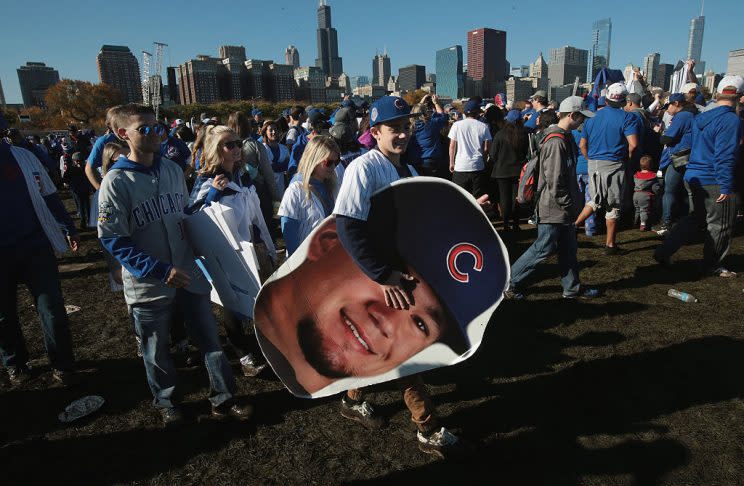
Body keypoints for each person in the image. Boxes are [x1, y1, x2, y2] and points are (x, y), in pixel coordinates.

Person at [97, 104, 253, 426]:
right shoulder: (116, 182)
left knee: (209, 337)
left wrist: (206, 205)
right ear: (122, 134)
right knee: (156, 348)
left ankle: (224, 397)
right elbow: (113, 239)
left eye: (159, 127)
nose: (156, 133)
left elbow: (183, 213)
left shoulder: (170, 169)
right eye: (146, 128)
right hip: (149, 281)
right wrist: (159, 270)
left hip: (187, 270)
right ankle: (167, 401)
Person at [0, 114, 81, 386]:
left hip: (35, 245)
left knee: (52, 308)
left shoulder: (23, 156)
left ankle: (63, 364)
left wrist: (68, 226)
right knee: (3, 315)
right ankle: (15, 364)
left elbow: (48, 194)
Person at [190, 124, 273, 377]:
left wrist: (268, 246)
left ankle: (265, 345)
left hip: (250, 247)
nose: (237, 149)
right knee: (232, 303)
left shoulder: (243, 176)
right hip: (224, 252)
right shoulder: (207, 180)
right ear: (217, 149)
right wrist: (213, 193)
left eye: (238, 143)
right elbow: (191, 215)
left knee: (260, 298)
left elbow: (256, 214)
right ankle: (242, 353)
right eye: (230, 145)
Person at [504, 96, 596, 300]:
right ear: (572, 115)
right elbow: (555, 180)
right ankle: (510, 283)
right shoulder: (556, 141)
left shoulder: (564, 137)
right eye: (581, 117)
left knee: (568, 249)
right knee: (543, 248)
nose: (583, 122)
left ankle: (571, 288)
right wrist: (569, 204)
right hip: (554, 207)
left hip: (559, 206)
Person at [653, 75, 743, 278]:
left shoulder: (700, 118)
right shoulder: (731, 120)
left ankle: (664, 251)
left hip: (694, 173)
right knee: (720, 224)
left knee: (695, 219)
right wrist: (726, 186)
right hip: (713, 178)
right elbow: (725, 156)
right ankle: (712, 264)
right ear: (739, 97)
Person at [574, 82, 640, 254]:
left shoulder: (592, 118)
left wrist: (590, 159)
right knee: (613, 204)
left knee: (594, 200)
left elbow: (582, 145)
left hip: (593, 163)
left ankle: (573, 226)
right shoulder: (627, 117)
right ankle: (610, 244)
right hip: (614, 163)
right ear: (624, 100)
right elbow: (633, 144)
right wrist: (628, 159)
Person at [279, 136, 340, 256]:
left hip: (329, 257)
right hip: (306, 261)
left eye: (336, 162)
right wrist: (297, 265)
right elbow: (289, 232)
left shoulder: (331, 185)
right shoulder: (295, 189)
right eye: (328, 162)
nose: (333, 167)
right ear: (314, 160)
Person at [654, 93, 696, 235]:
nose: (667, 109)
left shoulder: (683, 116)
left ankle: (666, 223)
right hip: (689, 156)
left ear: (676, 104)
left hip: (679, 157)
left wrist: (661, 134)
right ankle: (689, 221)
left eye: (669, 105)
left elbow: (667, 138)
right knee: (686, 192)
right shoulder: (692, 113)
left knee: (669, 190)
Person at [489, 115, 528, 231]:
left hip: (502, 171)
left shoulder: (500, 134)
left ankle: (506, 224)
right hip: (518, 171)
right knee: (516, 197)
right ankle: (516, 223)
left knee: (504, 198)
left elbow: (493, 154)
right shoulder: (523, 134)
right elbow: (526, 152)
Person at [448, 99, 492, 198]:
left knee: (460, 198)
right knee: (478, 200)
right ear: (477, 113)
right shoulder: (483, 126)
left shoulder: (456, 125)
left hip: (460, 166)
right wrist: (484, 160)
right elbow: (487, 148)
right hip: (477, 166)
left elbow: (452, 146)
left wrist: (451, 162)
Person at [407, 94, 449, 177]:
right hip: (432, 160)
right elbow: (443, 117)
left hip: (415, 161)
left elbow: (416, 111)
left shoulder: (409, 126)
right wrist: (436, 103)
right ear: (425, 112)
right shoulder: (431, 124)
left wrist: (420, 103)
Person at [63, 152, 94, 229]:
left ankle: (86, 221)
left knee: (84, 205)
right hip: (80, 189)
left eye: (79, 161)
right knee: (84, 205)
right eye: (78, 161)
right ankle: (86, 221)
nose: (79, 162)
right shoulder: (83, 167)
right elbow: (65, 179)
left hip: (80, 189)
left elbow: (65, 179)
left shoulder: (74, 168)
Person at [633, 155, 660, 231]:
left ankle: (635, 222)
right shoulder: (652, 176)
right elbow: (655, 188)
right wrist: (657, 193)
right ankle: (643, 224)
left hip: (635, 194)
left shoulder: (636, 175)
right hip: (644, 195)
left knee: (637, 209)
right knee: (644, 210)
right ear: (651, 165)